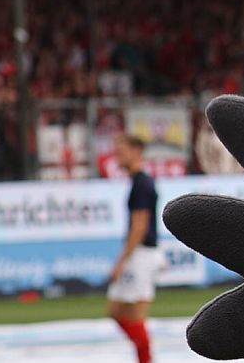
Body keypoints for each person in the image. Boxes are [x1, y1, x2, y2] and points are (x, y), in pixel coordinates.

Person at [107, 135, 158, 363]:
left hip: (142, 254)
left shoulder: (141, 184)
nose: (118, 154)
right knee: (116, 309)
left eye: (122, 149)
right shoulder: (139, 182)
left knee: (135, 314)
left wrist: (122, 261)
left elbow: (139, 226)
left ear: (137, 151)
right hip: (138, 253)